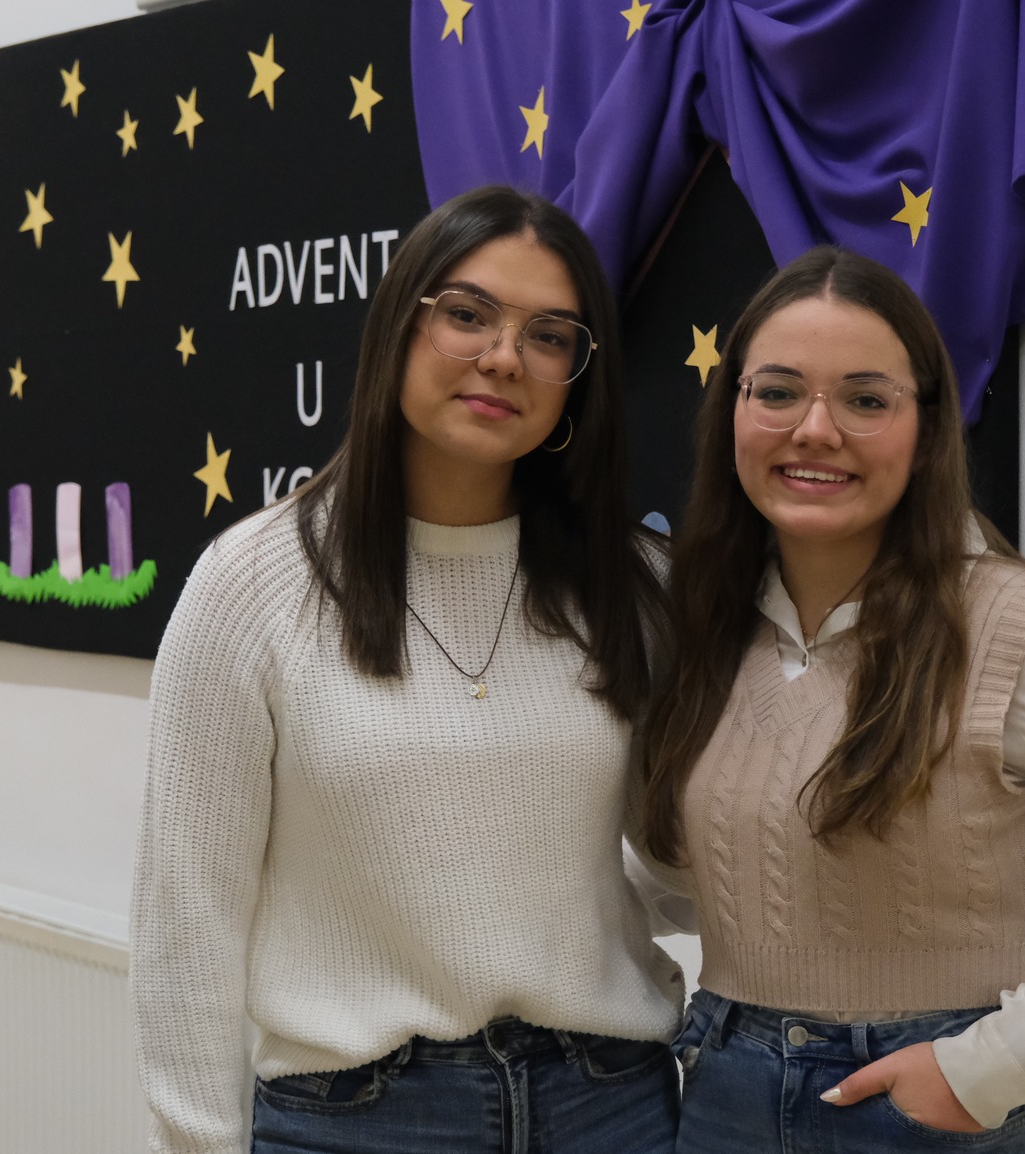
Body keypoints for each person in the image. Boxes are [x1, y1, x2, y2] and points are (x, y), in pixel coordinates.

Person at [638, 247, 1025, 1152]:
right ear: (733, 410)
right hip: (723, 1092)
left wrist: (992, 1066)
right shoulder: (704, 631)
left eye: (865, 400)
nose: (814, 428)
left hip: (935, 1108)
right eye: (778, 392)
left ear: (926, 429)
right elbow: (712, 878)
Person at [131, 186, 682, 1154]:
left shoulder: (633, 587)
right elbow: (188, 914)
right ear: (398, 325)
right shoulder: (252, 584)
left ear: (576, 377)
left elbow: (684, 857)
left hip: (609, 1105)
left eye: (549, 336)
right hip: (360, 1116)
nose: (503, 357)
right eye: (467, 315)